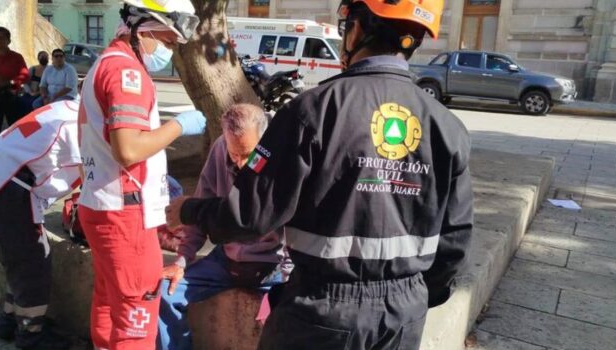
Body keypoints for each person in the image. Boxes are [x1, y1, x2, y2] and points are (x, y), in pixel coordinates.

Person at [165, 0, 473, 349]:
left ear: (356, 28)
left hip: (321, 309)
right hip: (403, 316)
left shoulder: (310, 111)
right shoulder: (449, 128)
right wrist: (409, 297)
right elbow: (455, 242)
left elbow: (248, 218)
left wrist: (189, 210)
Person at [77, 0, 204, 348]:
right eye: (167, 38)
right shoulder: (126, 73)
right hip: (125, 214)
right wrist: (178, 125)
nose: (173, 46)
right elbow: (129, 149)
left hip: (102, 204)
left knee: (109, 302)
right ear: (143, 26)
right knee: (137, 316)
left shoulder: (106, 64)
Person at [157, 104, 291, 350]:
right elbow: (200, 209)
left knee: (286, 322)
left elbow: (293, 233)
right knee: (163, 291)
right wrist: (182, 261)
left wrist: (286, 286)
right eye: (234, 155)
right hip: (226, 260)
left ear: (263, 142)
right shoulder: (220, 149)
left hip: (272, 266)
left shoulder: (282, 155)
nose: (240, 164)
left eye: (248, 154)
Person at [0, 99, 82, 350]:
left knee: (17, 256)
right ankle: (31, 335)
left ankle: (10, 319)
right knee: (33, 262)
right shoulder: (80, 125)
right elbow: (94, 174)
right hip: (12, 186)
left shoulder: (68, 107)